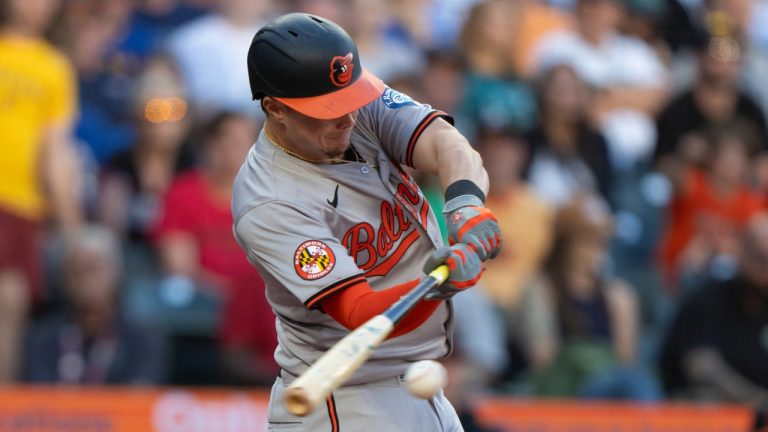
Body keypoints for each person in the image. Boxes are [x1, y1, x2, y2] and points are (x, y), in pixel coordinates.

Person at [232, 13, 501, 431]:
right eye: (328, 110)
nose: (348, 118)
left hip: (415, 380)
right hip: (346, 401)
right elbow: (358, 311)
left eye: (348, 100)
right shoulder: (268, 201)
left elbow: (444, 142)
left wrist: (465, 205)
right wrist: (439, 284)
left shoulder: (349, 98)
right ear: (275, 108)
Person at [0, 0, 82, 382]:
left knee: (11, 301)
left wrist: (71, 228)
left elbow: (55, 150)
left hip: (19, 203)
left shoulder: (53, 67)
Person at [659, 213, 768, 429]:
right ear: (741, 252)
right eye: (759, 257)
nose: (764, 268)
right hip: (707, 409)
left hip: (760, 415)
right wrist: (759, 401)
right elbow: (701, 367)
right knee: (707, 400)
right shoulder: (710, 297)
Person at [23, 224, 168, 385]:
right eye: (79, 271)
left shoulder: (142, 342)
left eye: (95, 270)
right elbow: (37, 397)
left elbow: (140, 398)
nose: (87, 281)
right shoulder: (43, 340)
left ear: (116, 275)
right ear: (66, 280)